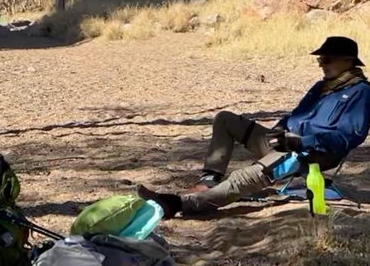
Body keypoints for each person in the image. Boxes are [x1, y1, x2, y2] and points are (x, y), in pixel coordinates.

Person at [139, 36, 370, 218]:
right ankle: (209, 180)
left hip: (312, 154)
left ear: (347, 61)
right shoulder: (322, 86)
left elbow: (347, 138)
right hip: (285, 141)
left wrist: (300, 142)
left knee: (244, 177)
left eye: (326, 60)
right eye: (320, 60)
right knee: (225, 119)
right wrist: (279, 131)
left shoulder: (361, 93)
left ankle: (176, 204)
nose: (321, 65)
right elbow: (296, 115)